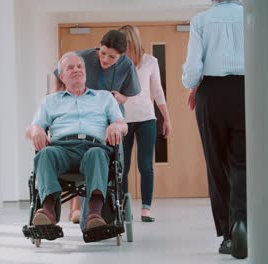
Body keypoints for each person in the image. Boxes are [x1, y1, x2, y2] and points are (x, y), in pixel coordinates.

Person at [26, 52, 128, 232]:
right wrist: (37, 130)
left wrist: (116, 127)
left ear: (85, 73)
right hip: (61, 149)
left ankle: (94, 214)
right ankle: (48, 211)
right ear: (62, 76)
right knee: (45, 153)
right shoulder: (50, 101)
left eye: (80, 67)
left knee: (97, 154)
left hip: (94, 147)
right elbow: (32, 128)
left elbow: (123, 125)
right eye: (70, 67)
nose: (76, 70)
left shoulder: (104, 97)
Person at [50, 30, 141, 224]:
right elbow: (59, 76)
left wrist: (117, 98)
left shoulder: (126, 66)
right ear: (99, 47)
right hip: (80, 111)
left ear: (121, 56)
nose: (106, 59)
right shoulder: (82, 58)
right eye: (103, 53)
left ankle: (105, 206)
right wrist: (57, 101)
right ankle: (76, 208)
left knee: (112, 159)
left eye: (112, 57)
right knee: (77, 144)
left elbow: (128, 95)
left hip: (109, 113)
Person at [182, 0, 246, 259]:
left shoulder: (201, 20)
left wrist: (192, 83)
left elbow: (194, 69)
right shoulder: (251, 16)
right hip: (247, 91)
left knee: (216, 163)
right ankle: (244, 223)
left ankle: (229, 235)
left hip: (212, 93)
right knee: (243, 163)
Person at [118, 25, 172, 222]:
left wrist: (167, 118)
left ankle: (146, 209)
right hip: (122, 120)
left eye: (124, 42)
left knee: (145, 165)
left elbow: (157, 91)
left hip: (146, 119)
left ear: (133, 41)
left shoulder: (150, 61)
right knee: (122, 167)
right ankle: (124, 209)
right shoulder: (118, 62)